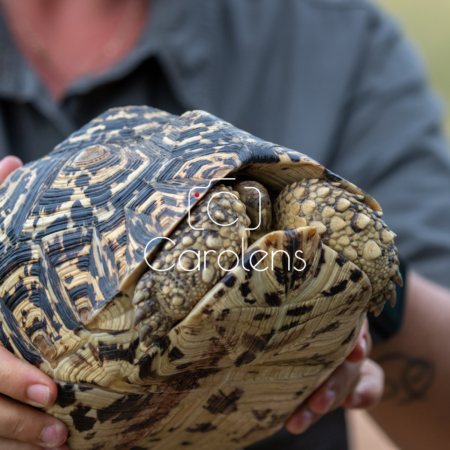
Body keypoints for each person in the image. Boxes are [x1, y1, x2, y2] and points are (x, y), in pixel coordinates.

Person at [0, 0, 449, 449]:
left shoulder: (332, 33)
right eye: (229, 199)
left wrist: (383, 303)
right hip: (85, 374)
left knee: (314, 200)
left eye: (252, 194)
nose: (247, 205)